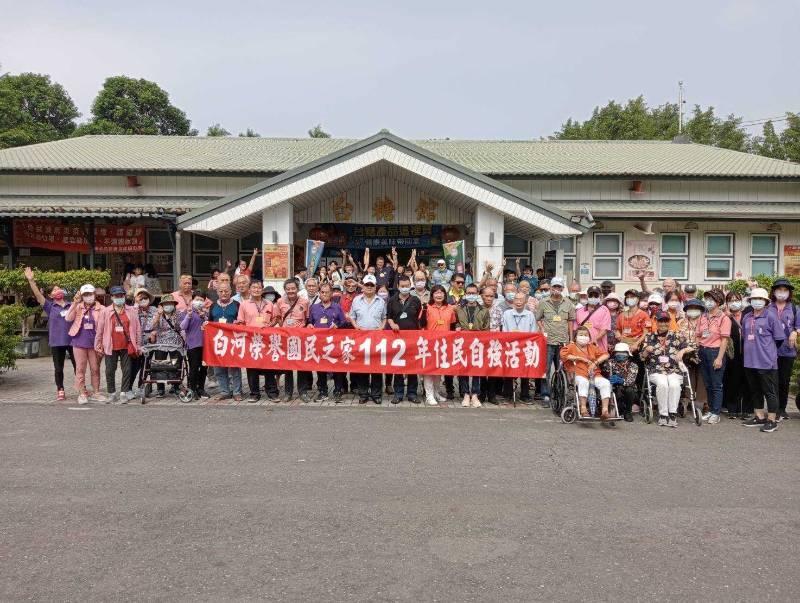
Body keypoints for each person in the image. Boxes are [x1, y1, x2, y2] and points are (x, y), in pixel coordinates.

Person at [24, 266, 75, 401]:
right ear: (50, 295)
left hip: (73, 340)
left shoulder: (71, 305)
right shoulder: (49, 306)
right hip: (57, 341)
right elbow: (37, 295)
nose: (58, 291)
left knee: (79, 367)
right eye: (54, 290)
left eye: (59, 288)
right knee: (59, 368)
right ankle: (60, 389)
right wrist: (31, 281)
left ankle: (81, 388)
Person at [742, 288, 784, 433]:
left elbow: (779, 339)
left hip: (766, 361)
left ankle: (772, 420)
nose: (757, 301)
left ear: (766, 301)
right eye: (754, 299)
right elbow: (745, 336)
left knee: (770, 392)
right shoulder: (747, 317)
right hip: (749, 361)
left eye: (760, 299)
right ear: (750, 301)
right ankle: (759, 417)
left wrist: (767, 351)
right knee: (755, 391)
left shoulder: (771, 316)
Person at [95, 285, 141, 403]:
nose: (119, 298)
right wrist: (98, 344)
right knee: (110, 370)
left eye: (121, 295)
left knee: (127, 370)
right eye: (116, 296)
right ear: (112, 297)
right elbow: (99, 329)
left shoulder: (131, 310)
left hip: (127, 345)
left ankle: (123, 392)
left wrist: (139, 345)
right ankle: (111, 393)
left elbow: (137, 330)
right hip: (110, 345)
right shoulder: (105, 311)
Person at [535, 276, 576, 407]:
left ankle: (560, 393)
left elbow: (570, 321)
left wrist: (571, 339)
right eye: (554, 287)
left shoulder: (568, 303)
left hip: (562, 341)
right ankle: (545, 395)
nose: (556, 290)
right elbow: (538, 318)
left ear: (562, 289)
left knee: (562, 369)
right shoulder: (543, 302)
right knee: (545, 369)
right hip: (548, 341)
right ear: (551, 288)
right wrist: (542, 329)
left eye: (559, 287)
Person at [641, 312, 688, 427]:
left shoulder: (677, 335)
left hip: (674, 370)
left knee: (674, 385)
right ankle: (663, 414)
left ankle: (672, 413)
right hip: (656, 369)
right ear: (656, 322)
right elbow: (642, 357)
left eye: (666, 321)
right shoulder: (649, 337)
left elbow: (691, 347)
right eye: (661, 321)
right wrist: (647, 350)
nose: (663, 323)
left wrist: (682, 351)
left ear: (669, 322)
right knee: (662, 384)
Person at [237, 280, 278, 403]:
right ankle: (254, 393)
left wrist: (272, 324)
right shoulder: (244, 304)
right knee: (252, 367)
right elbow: (240, 322)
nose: (256, 290)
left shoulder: (269, 304)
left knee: (269, 366)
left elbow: (275, 318)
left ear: (262, 289)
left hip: (266, 340)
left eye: (258, 287)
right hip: (251, 340)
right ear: (249, 289)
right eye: (254, 287)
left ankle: (272, 393)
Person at [559, 326, 612, 419]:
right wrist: (580, 358)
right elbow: (564, 355)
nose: (583, 337)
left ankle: (605, 410)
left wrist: (596, 362)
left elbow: (606, 354)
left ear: (589, 337)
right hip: (577, 374)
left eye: (586, 335)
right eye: (581, 335)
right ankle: (583, 408)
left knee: (606, 383)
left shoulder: (592, 347)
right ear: (576, 337)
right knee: (584, 382)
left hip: (594, 374)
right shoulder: (571, 346)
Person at [348, 274, 387, 404]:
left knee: (376, 367)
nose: (369, 287)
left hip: (376, 337)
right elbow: (352, 316)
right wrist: (356, 326)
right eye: (367, 285)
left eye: (371, 285)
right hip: (361, 337)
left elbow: (384, 317)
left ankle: (376, 394)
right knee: (362, 367)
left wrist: (381, 327)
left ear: (375, 287)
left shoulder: (381, 301)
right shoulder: (356, 300)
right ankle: (363, 394)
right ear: (363, 286)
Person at [65, 285, 105, 404]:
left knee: (95, 368)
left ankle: (96, 392)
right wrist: (74, 303)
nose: (88, 297)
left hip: (94, 344)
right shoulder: (78, 307)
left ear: (94, 294)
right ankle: (82, 393)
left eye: (90, 294)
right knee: (80, 369)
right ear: (82, 296)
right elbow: (68, 318)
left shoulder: (101, 308)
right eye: (86, 295)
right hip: (79, 342)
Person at [274, 279, 312, 402]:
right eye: (288, 289)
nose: (291, 291)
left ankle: (303, 392)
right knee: (287, 367)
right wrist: (284, 328)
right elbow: (278, 318)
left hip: (300, 338)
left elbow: (307, 319)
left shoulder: (305, 302)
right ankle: (288, 393)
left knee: (302, 366)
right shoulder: (280, 302)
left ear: (297, 289)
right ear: (285, 290)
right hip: (286, 339)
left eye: (293, 288)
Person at [308, 283, 347, 402]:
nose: (324, 294)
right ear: (319, 293)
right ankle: (322, 391)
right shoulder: (313, 308)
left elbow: (344, 322)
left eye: (327, 292)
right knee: (321, 368)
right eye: (322, 292)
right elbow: (310, 322)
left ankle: (337, 391)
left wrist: (338, 325)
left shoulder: (337, 307)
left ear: (331, 294)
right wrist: (309, 325)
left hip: (334, 343)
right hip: (319, 343)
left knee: (337, 368)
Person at [386, 275, 422, 404]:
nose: (405, 288)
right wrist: (392, 324)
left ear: (410, 286)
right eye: (402, 286)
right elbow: (388, 316)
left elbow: (419, 318)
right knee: (398, 367)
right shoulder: (392, 300)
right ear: (398, 286)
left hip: (412, 339)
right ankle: (398, 393)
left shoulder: (416, 300)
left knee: (412, 367)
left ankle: (412, 393)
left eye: (407, 286)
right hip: (397, 339)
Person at [697, 289, 731, 424]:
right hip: (703, 351)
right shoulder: (703, 316)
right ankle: (710, 410)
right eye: (707, 299)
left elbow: (725, 340)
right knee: (708, 384)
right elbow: (698, 335)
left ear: (718, 302)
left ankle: (716, 412)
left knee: (717, 384)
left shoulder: (724, 318)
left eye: (711, 299)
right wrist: (696, 349)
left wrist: (719, 358)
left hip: (716, 352)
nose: (708, 302)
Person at [768, 278, 799, 421]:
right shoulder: (768, 307)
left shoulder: (794, 308)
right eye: (779, 290)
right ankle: (773, 408)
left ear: (789, 292)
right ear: (774, 292)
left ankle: (782, 408)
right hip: (770, 350)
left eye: (785, 290)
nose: (782, 293)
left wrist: (795, 332)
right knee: (772, 380)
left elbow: (798, 325)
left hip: (788, 350)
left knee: (784, 380)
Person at [454, 283, 489, 408]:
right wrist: (458, 327)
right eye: (469, 293)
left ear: (478, 294)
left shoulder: (484, 310)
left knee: (476, 369)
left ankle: (474, 394)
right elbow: (455, 323)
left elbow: (486, 329)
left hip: (477, 344)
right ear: (465, 293)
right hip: (462, 343)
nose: (471, 295)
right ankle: (465, 394)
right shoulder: (459, 309)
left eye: (473, 293)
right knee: (463, 368)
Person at [146, 293, 186, 399]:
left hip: (175, 343)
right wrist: (159, 315)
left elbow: (180, 327)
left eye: (170, 303)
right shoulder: (158, 314)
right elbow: (152, 326)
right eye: (166, 304)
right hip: (161, 343)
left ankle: (175, 386)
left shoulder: (179, 314)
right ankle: (160, 389)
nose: (168, 306)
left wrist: (174, 318)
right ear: (162, 305)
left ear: (173, 304)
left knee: (176, 364)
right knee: (160, 365)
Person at [421, 284, 455, 406]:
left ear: (445, 295)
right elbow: (422, 324)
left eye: (441, 292)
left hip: (444, 344)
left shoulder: (450, 308)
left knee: (439, 369)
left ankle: (436, 392)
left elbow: (452, 325)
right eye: (436, 292)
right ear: (432, 295)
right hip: (430, 343)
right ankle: (429, 395)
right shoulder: (427, 308)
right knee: (429, 370)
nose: (439, 295)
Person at [207, 284, 242, 401]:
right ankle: (224, 391)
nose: (224, 293)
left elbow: (241, 321)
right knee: (219, 369)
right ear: (217, 292)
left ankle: (237, 391)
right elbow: (210, 322)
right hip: (218, 341)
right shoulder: (213, 306)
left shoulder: (237, 305)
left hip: (233, 341)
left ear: (230, 291)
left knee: (234, 368)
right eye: (221, 291)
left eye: (226, 291)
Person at [502, 291, 537, 402]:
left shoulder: (530, 315)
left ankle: (525, 394)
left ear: (526, 301)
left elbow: (533, 332)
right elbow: (504, 330)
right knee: (509, 368)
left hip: (525, 346)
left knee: (525, 370)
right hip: (510, 345)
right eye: (516, 299)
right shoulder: (507, 314)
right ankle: (507, 393)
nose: (518, 302)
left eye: (521, 300)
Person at [723, 291, 751, 419]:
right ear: (727, 303)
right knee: (732, 380)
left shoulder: (748, 314)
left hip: (748, 353)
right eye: (731, 300)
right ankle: (732, 408)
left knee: (748, 381)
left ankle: (747, 409)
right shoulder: (725, 317)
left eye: (736, 299)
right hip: (731, 354)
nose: (734, 302)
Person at [180, 291, 209, 399]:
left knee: (204, 368)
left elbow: (210, 326)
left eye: (201, 300)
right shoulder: (186, 312)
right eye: (197, 299)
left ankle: (201, 388)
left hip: (205, 345)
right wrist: (189, 315)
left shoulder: (205, 313)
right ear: (192, 300)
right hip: (193, 345)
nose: (199, 302)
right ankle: (192, 389)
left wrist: (204, 317)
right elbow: (182, 326)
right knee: (194, 368)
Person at [575, 285, 611, 351]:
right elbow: (575, 329)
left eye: (596, 295)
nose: (593, 297)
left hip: (598, 347)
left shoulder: (604, 310)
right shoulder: (579, 311)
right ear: (587, 296)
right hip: (581, 348)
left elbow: (604, 329)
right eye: (591, 295)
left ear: (600, 296)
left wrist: (594, 339)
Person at [608, 342, 637, 422]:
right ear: (614, 353)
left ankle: (628, 412)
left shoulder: (633, 365)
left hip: (627, 387)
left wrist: (621, 380)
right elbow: (604, 372)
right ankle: (616, 409)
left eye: (623, 353)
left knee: (630, 390)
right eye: (618, 352)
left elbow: (631, 380)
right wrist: (608, 377)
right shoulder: (610, 363)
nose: (620, 354)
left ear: (628, 354)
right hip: (614, 387)